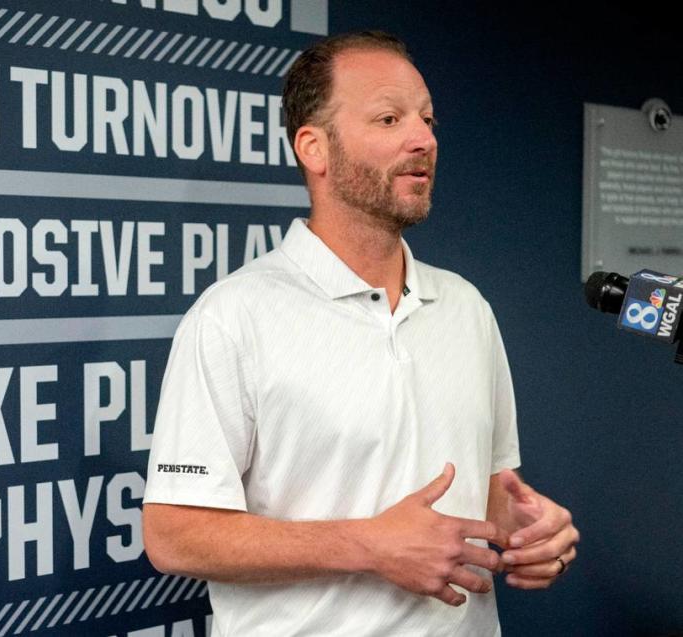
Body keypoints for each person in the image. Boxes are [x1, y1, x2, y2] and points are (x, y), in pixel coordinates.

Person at [142, 31, 579, 636]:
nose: (423, 138)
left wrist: (532, 530)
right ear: (315, 148)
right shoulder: (233, 317)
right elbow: (174, 535)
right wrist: (367, 545)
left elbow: (491, 492)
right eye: (389, 118)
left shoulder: (466, 308)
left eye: (427, 119)